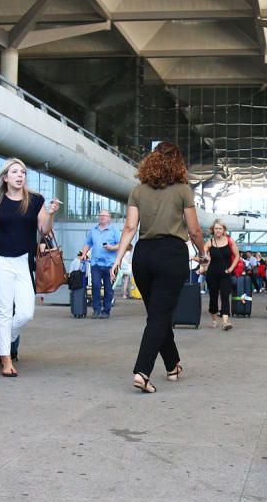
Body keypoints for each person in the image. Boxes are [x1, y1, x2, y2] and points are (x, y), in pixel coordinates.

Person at [110, 142, 206, 394]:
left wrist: (118, 258)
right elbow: (194, 229)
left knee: (156, 313)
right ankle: (142, 371)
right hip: (171, 254)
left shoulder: (138, 190)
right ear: (178, 163)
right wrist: (203, 253)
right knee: (160, 316)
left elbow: (130, 228)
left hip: (143, 254)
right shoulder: (184, 190)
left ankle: (173, 364)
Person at [0, 158, 60, 377]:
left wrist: (51, 212)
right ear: (5, 177)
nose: (20, 175)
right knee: (4, 312)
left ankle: (8, 336)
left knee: (25, 312)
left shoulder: (35, 200)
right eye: (15, 172)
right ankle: (5, 359)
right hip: (0, 260)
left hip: (24, 261)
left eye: (23, 172)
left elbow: (44, 229)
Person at [80, 209, 121, 319]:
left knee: (108, 289)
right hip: (96, 264)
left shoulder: (114, 230)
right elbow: (87, 244)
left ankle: (106, 311)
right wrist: (83, 254)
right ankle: (96, 310)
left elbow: (121, 244)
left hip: (110, 265)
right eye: (101, 215)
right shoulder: (93, 230)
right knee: (96, 286)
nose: (102, 217)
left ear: (109, 218)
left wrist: (111, 247)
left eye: (105, 215)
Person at [201, 219, 240, 330]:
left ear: (224, 230)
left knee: (225, 296)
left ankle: (225, 321)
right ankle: (214, 320)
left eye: (220, 228)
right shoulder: (210, 242)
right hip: (212, 273)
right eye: (216, 228)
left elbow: (237, 256)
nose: (217, 230)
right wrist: (203, 262)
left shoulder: (230, 241)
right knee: (213, 297)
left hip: (225, 274)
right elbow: (203, 256)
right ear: (213, 230)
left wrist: (231, 269)